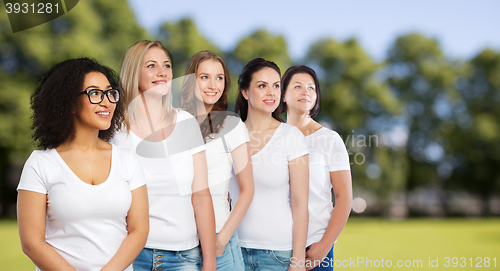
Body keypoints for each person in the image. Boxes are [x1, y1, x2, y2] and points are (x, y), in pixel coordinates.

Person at [17, 58, 149, 271]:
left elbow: (139, 230)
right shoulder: (40, 163)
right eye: (95, 93)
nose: (106, 102)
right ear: (68, 103)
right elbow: (32, 243)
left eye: (109, 92)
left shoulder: (128, 160)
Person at [112, 41, 217, 271]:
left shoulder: (186, 123)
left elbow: (201, 197)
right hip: (127, 255)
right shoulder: (113, 130)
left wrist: (209, 261)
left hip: (182, 258)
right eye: (151, 65)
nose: (162, 72)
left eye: (167, 65)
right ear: (133, 72)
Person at [232, 58, 309, 271]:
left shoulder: (291, 136)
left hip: (276, 255)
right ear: (245, 92)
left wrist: (298, 260)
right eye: (262, 86)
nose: (271, 92)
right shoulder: (228, 134)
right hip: (231, 251)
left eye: (276, 86)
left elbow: (301, 203)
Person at [181, 51, 254, 271]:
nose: (213, 84)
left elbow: (247, 190)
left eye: (219, 78)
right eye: (204, 77)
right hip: (181, 241)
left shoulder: (232, 126)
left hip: (218, 239)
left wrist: (221, 239)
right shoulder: (176, 123)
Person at [280, 66, 352, 271]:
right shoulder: (272, 138)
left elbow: (344, 198)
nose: (306, 91)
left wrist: (324, 246)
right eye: (298, 86)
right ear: (283, 95)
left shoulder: (330, 140)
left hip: (314, 250)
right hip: (273, 248)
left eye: (311, 88)